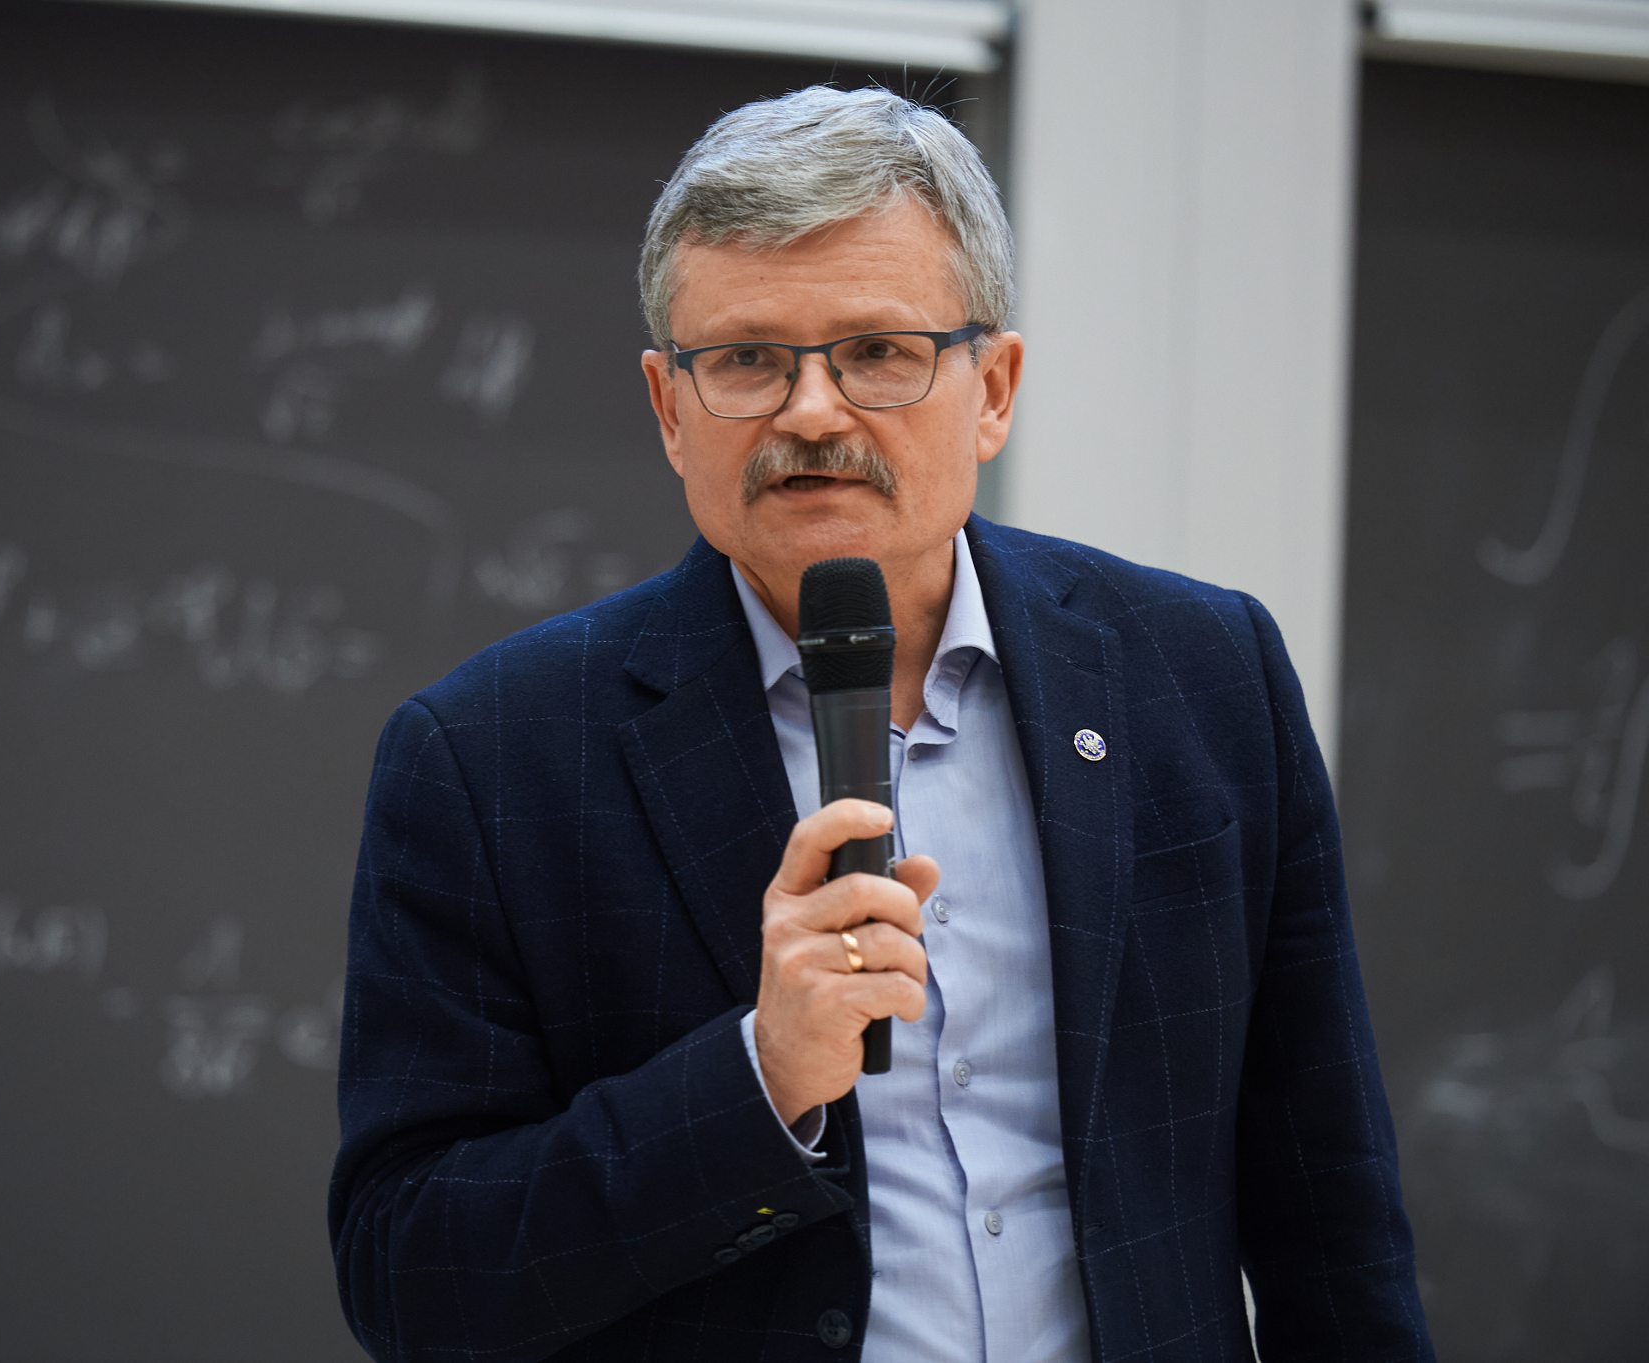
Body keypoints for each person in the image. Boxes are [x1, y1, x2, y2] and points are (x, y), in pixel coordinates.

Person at [330, 85, 1431, 1363]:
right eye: (746, 360)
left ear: (992, 387)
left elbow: (1329, 1208)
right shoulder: (488, 756)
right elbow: (410, 1271)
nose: (810, 412)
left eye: (875, 351)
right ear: (669, 410)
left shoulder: (1199, 674)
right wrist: (757, 1080)